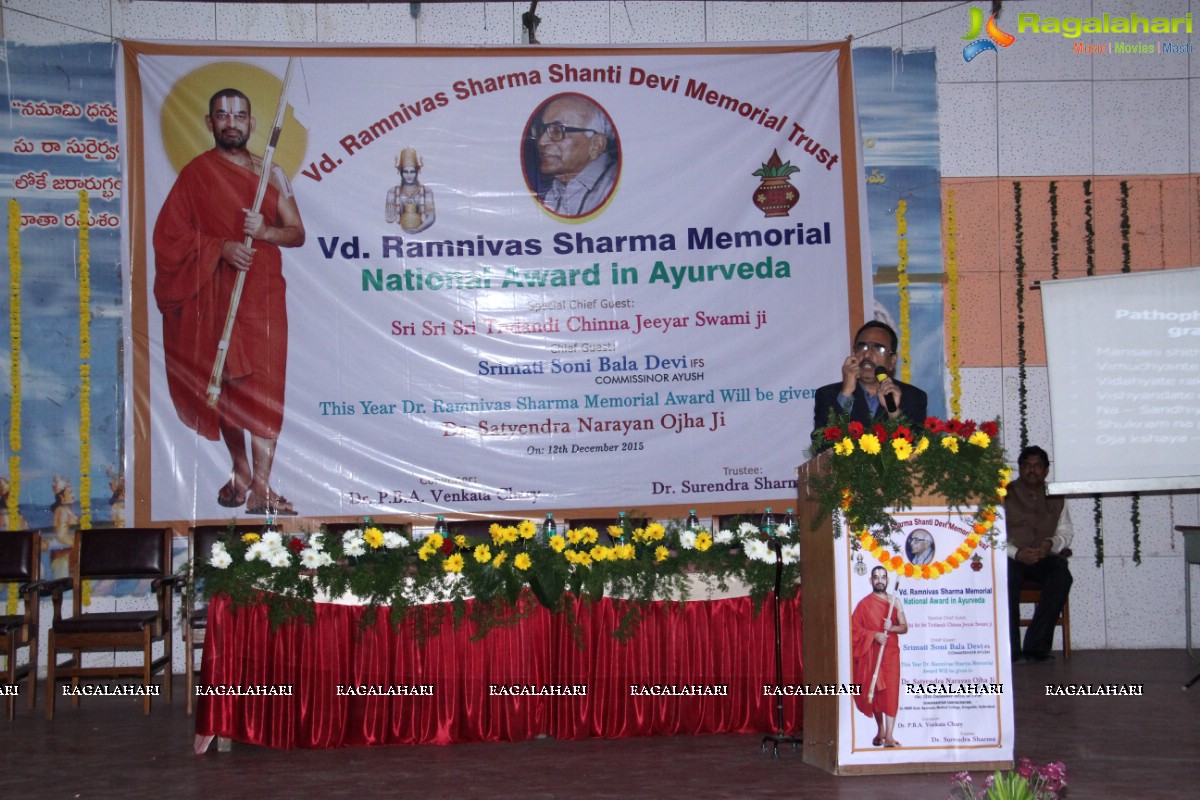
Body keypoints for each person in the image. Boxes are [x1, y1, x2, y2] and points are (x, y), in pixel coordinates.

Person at [153, 87, 306, 516]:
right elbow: (169, 237)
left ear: (253, 124)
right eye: (222, 115)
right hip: (216, 291)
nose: (232, 122)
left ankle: (261, 486)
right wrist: (219, 247)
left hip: (262, 296)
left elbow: (297, 233)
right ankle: (240, 470)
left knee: (264, 387)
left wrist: (265, 232)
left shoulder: (273, 175)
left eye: (240, 115)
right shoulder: (195, 174)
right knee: (223, 381)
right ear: (210, 123)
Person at [1004, 445, 1073, 663]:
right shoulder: (1003, 493)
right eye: (1027, 465)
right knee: (1006, 578)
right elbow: (990, 534)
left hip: (1044, 557)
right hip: (1012, 558)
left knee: (1061, 575)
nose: (1032, 470)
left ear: (1046, 470)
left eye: (1037, 466)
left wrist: (1051, 543)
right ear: (1019, 468)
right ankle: (1011, 651)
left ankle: (1036, 647)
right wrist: (1017, 553)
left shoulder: (1057, 495)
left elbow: (1065, 531)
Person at [812, 320, 928, 436]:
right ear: (853, 354)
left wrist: (893, 412)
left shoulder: (913, 397)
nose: (867, 355)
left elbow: (916, 446)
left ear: (892, 361)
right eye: (862, 347)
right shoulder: (827, 395)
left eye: (879, 349)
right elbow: (822, 445)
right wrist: (846, 394)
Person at [532, 94, 618, 217]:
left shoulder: (616, 190)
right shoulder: (556, 188)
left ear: (596, 145)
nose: (541, 141)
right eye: (541, 129)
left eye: (557, 131)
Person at [851, 566, 908, 747]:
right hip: (873, 653)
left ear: (887, 580)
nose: (880, 580)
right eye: (876, 577)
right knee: (875, 692)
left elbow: (904, 627)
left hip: (890, 654)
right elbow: (854, 629)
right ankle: (880, 729)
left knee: (890, 692)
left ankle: (889, 736)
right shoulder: (863, 605)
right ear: (871, 581)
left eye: (883, 577)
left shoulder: (895, 602)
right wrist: (874, 635)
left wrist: (891, 627)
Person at [384, 146, 435, 233]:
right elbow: (389, 218)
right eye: (405, 171)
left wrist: (418, 229)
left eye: (412, 172)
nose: (409, 175)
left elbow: (431, 217)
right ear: (401, 173)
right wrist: (390, 216)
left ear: (417, 172)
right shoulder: (392, 192)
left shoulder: (426, 191)